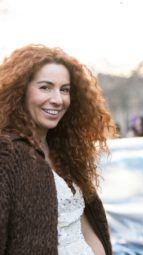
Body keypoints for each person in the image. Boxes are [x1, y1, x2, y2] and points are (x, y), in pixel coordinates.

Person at [0, 44, 116, 255]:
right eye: (45, 87)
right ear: (20, 90)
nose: (57, 99)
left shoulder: (65, 152)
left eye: (65, 90)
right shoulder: (7, 153)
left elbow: (80, 223)